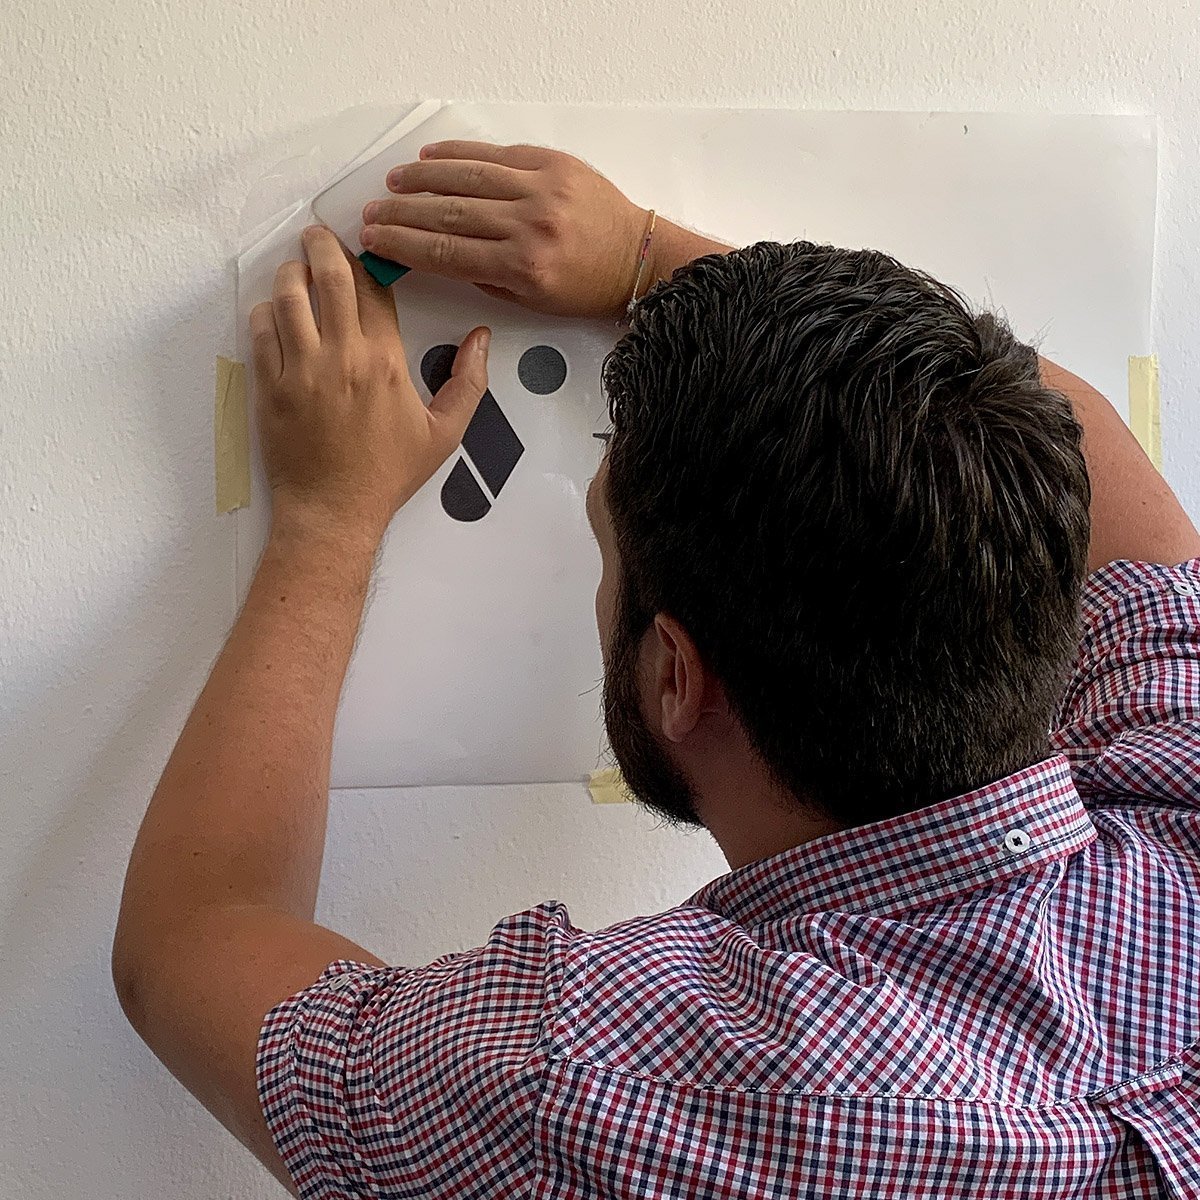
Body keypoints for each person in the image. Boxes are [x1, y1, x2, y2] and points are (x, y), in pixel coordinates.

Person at [113, 142, 1200, 1198]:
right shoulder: (1178, 801)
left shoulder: (595, 1085)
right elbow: (1101, 469)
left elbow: (192, 939)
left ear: (677, 675)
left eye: (604, 549)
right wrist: (641, 254)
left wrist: (326, 521)